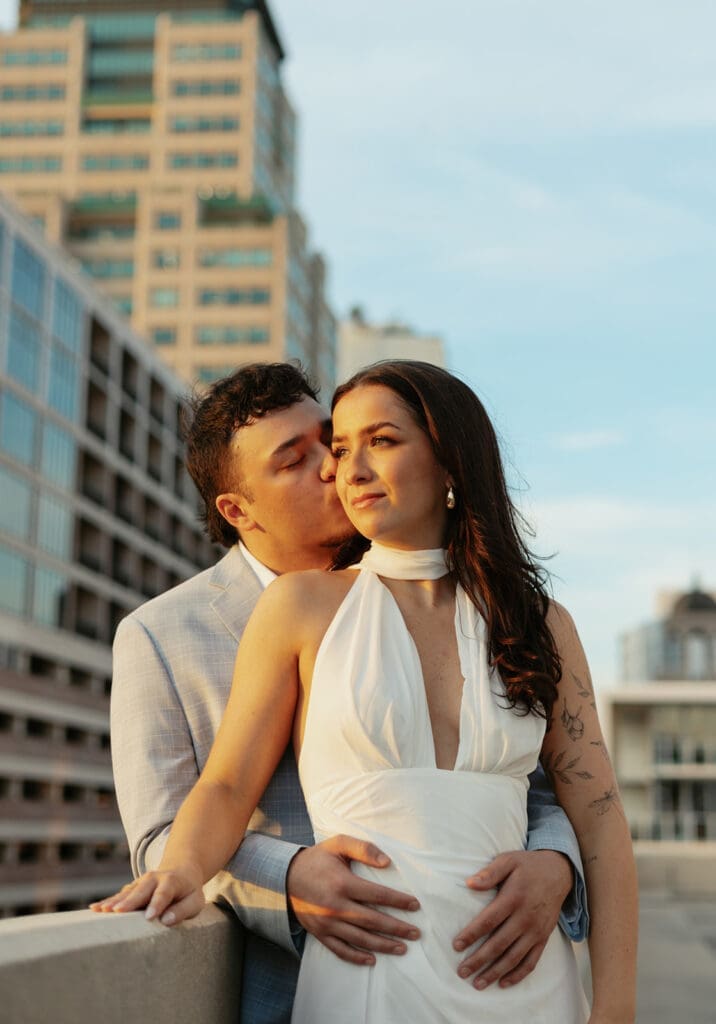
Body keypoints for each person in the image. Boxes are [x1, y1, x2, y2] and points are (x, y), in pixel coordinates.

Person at [107, 362, 590, 1024]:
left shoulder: (479, 603)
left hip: (498, 963)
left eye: (329, 443)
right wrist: (290, 875)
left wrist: (556, 865)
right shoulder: (160, 637)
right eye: (294, 460)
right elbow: (164, 834)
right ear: (237, 509)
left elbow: (537, 782)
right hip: (308, 984)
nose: (334, 469)